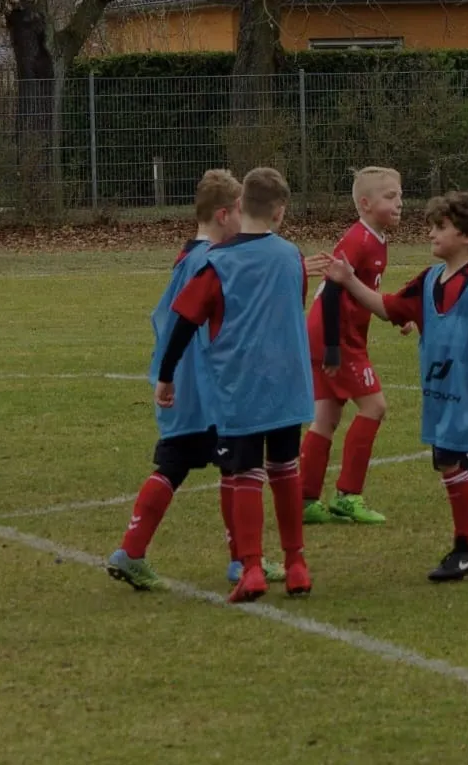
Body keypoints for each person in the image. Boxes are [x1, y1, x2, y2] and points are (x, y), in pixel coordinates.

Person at [315, 191, 468, 582]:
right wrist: (348, 280)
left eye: (440, 227)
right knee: (456, 466)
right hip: (440, 397)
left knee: (452, 463)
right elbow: (387, 307)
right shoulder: (429, 281)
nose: (430, 233)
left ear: (467, 235)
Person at [106, 169, 284, 592]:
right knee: (236, 465)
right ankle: (242, 559)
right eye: (240, 211)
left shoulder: (189, 255)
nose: (245, 219)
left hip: (185, 384)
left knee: (176, 463)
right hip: (208, 387)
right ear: (224, 215)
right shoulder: (210, 261)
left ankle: (131, 551)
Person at [155, 167, 314, 603]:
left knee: (246, 474)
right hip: (288, 384)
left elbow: (184, 321)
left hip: (240, 387)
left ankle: (252, 569)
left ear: (240, 206)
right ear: (280, 211)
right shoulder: (293, 257)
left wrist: (166, 375)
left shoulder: (218, 263)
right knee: (285, 469)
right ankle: (297, 565)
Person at [301, 167, 411, 525]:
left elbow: (361, 290)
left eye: (400, 195)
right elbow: (333, 290)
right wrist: (333, 346)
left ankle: (305, 500)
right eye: (390, 197)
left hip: (333, 334)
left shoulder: (376, 238)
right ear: (365, 204)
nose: (399, 203)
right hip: (334, 335)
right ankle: (347, 495)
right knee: (375, 407)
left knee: (326, 416)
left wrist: (397, 315)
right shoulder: (358, 240)